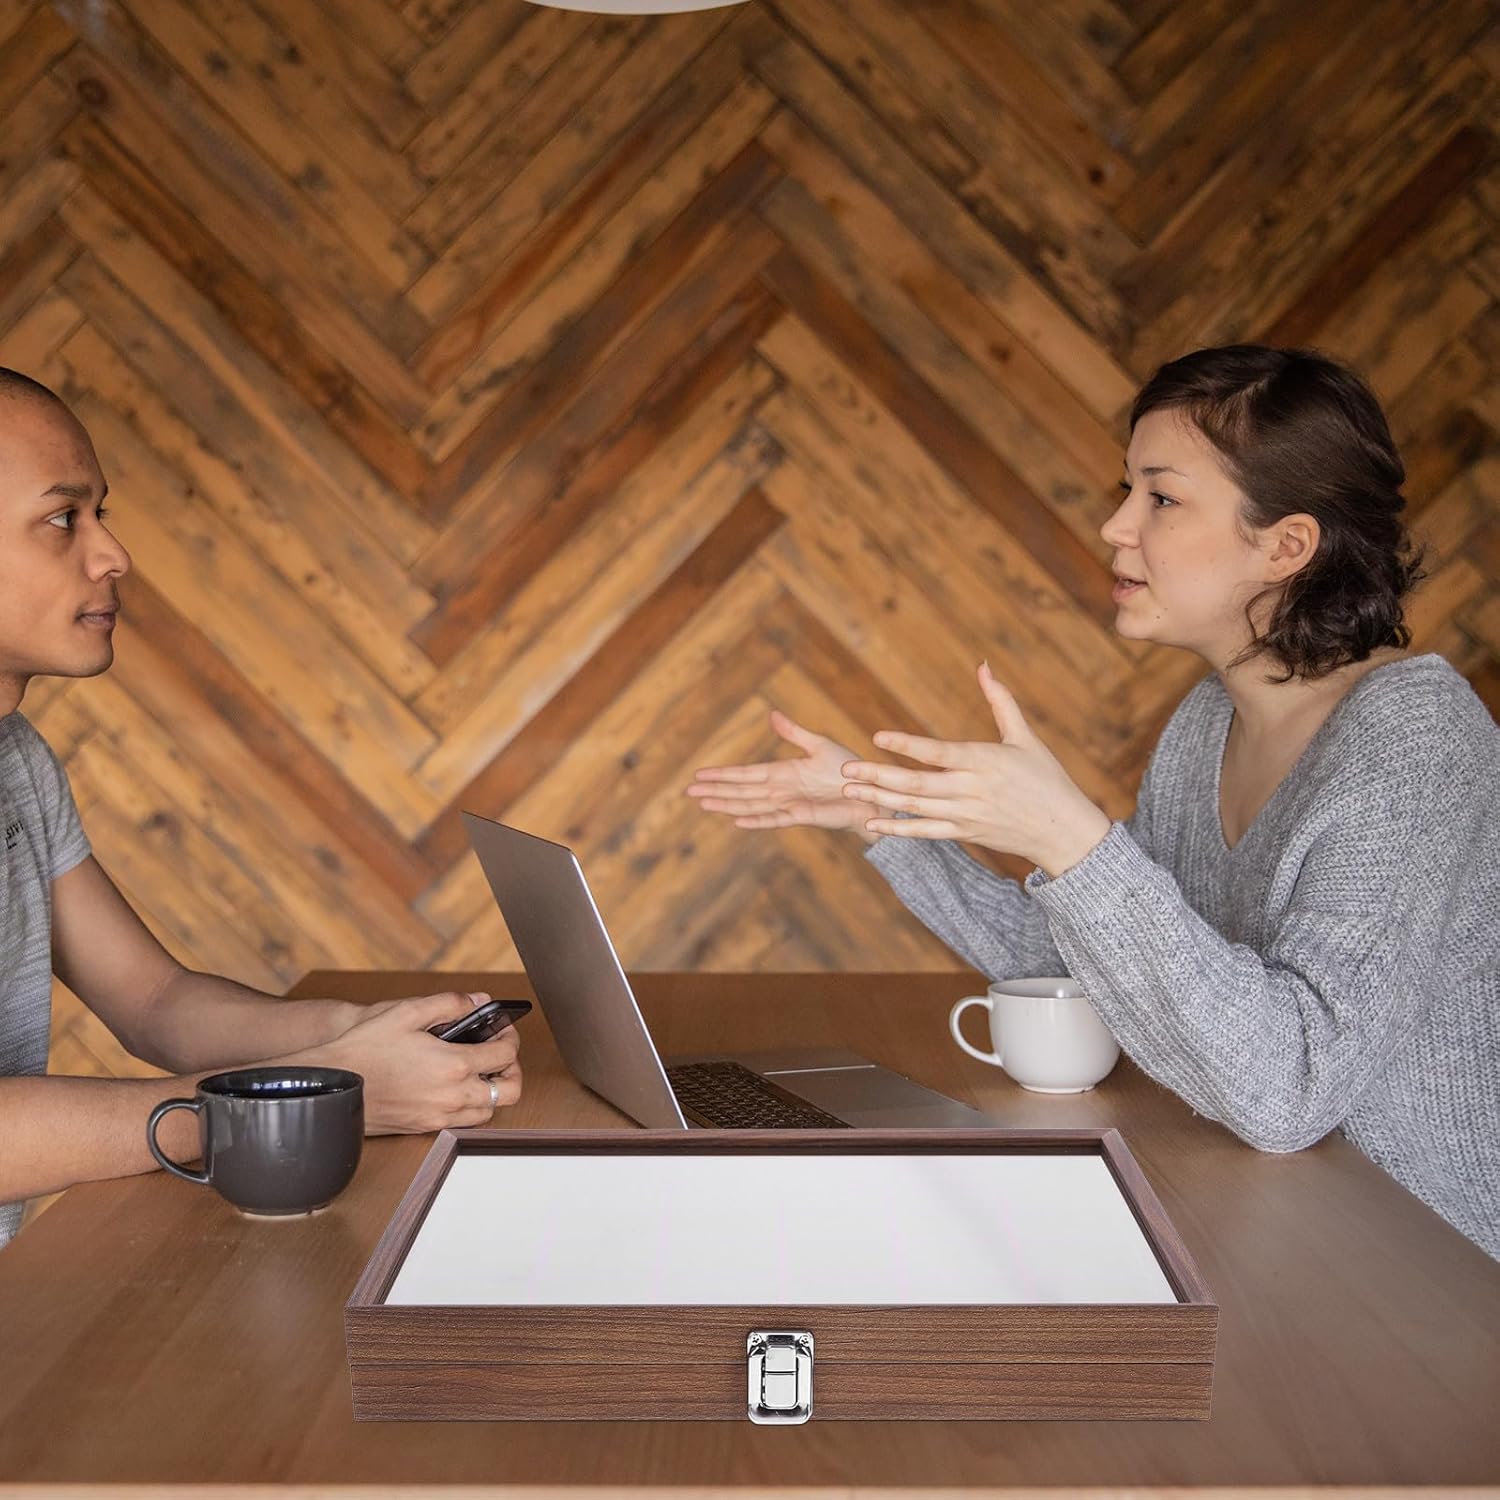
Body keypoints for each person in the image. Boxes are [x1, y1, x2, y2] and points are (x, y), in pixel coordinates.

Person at [688, 344, 1499, 1259]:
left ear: (1285, 546)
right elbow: (1104, 971)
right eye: (1126, 490)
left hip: (1426, 1271)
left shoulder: (1416, 743)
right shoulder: (1205, 725)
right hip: (1277, 1223)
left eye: (1161, 498)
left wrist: (1071, 840)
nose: (1115, 526)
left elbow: (1291, 1090)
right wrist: (883, 818)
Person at [0, 368, 522, 1252]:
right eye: (63, 519)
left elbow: (154, 1000)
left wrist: (361, 1036)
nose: (113, 554)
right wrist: (313, 1092)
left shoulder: (17, 761)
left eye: (101, 514)